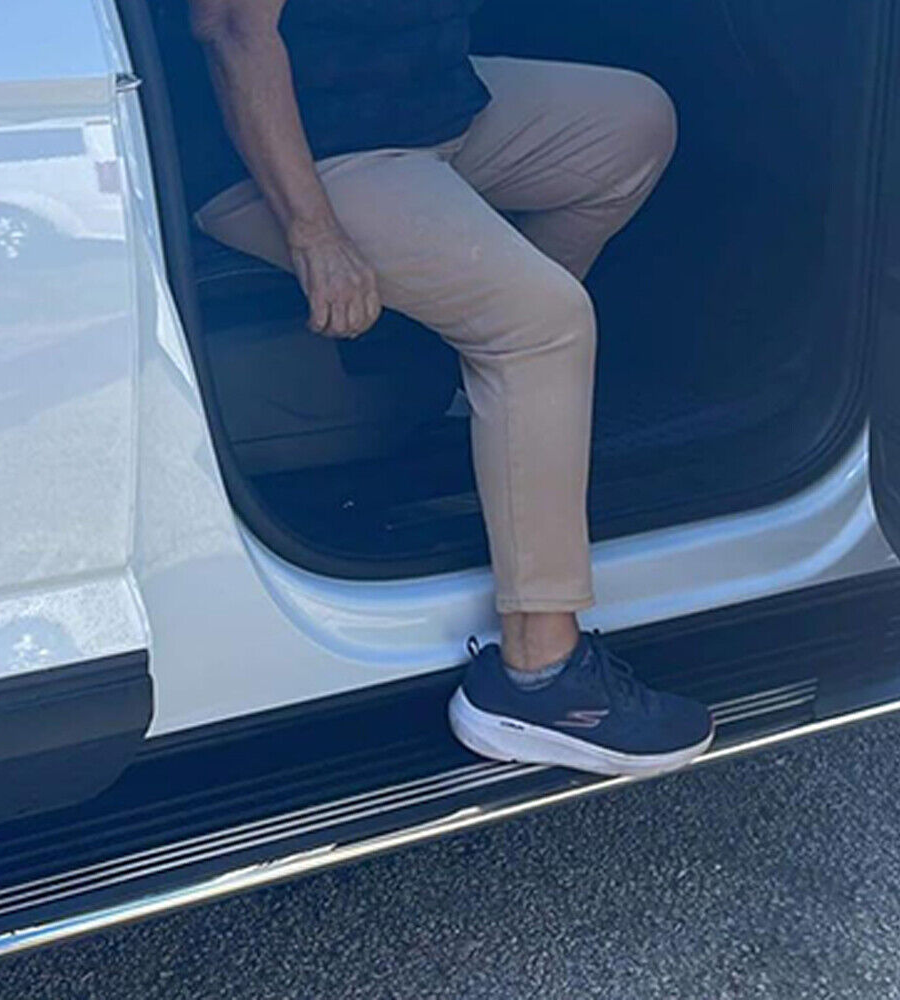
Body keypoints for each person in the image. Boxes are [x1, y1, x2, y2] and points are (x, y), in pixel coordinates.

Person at [189, 0, 714, 775]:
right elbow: (231, 26)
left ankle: (496, 399)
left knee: (634, 124)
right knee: (544, 321)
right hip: (299, 158)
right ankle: (538, 676)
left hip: (427, 110)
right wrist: (315, 232)